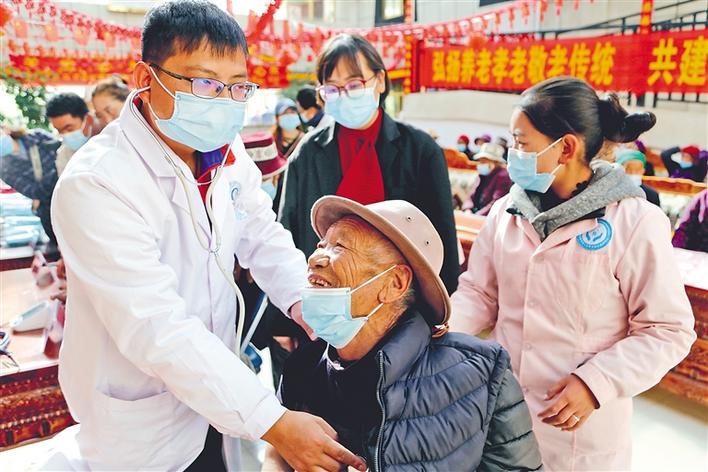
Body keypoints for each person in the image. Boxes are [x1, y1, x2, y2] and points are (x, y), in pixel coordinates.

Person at [41, 2, 366, 471]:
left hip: (220, 394)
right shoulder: (97, 183)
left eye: (237, 86)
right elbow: (156, 326)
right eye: (205, 84)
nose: (223, 101)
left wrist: (307, 302)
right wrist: (272, 421)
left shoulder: (224, 152)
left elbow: (262, 234)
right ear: (145, 78)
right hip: (145, 420)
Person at [450, 77, 696, 471]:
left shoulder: (634, 221)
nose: (513, 154)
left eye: (521, 143)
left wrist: (596, 382)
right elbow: (480, 293)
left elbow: (668, 329)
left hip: (579, 430)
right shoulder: (504, 213)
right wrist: (439, 332)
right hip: (503, 411)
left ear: (565, 148)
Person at [265, 195, 543, 472]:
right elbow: (277, 456)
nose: (314, 258)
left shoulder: (483, 373)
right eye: (321, 245)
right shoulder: (301, 368)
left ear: (395, 283)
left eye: (340, 246)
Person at [280, 33, 459, 295]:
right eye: (332, 89)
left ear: (380, 81)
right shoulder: (308, 152)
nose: (344, 95)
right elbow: (286, 231)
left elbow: (442, 240)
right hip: (323, 295)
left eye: (354, 84)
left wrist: (437, 307)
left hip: (397, 298)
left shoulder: (420, 150)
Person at [0, 128, 60, 246]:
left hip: (73, 196)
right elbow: (35, 192)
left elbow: (64, 152)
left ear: (4, 131)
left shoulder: (37, 136)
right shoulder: (4, 170)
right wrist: (57, 173)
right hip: (51, 214)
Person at [46, 92, 100, 175]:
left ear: (88, 119)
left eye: (69, 128)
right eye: (59, 130)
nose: (65, 135)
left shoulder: (110, 140)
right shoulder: (64, 156)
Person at [461, 142, 512, 215]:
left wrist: (478, 215)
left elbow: (496, 203)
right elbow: (471, 196)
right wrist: (467, 209)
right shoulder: (482, 175)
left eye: (485, 161)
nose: (481, 164)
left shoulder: (503, 176)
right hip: (474, 214)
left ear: (496, 162)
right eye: (481, 161)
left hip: (489, 216)